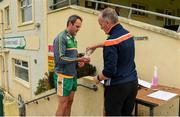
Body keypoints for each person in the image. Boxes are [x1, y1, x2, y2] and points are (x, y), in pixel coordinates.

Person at [87, 8, 138, 116]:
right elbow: (116, 43)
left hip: (117, 87)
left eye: (101, 24)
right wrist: (96, 45)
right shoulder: (128, 35)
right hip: (132, 84)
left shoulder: (111, 42)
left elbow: (109, 72)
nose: (101, 27)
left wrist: (97, 78)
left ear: (107, 22)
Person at [53, 15, 90, 116]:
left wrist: (79, 63)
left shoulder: (73, 38)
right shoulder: (61, 37)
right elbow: (60, 59)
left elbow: (71, 58)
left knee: (69, 103)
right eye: (77, 27)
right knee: (63, 105)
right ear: (70, 24)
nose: (78, 29)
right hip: (62, 77)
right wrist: (78, 59)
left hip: (72, 76)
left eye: (79, 27)